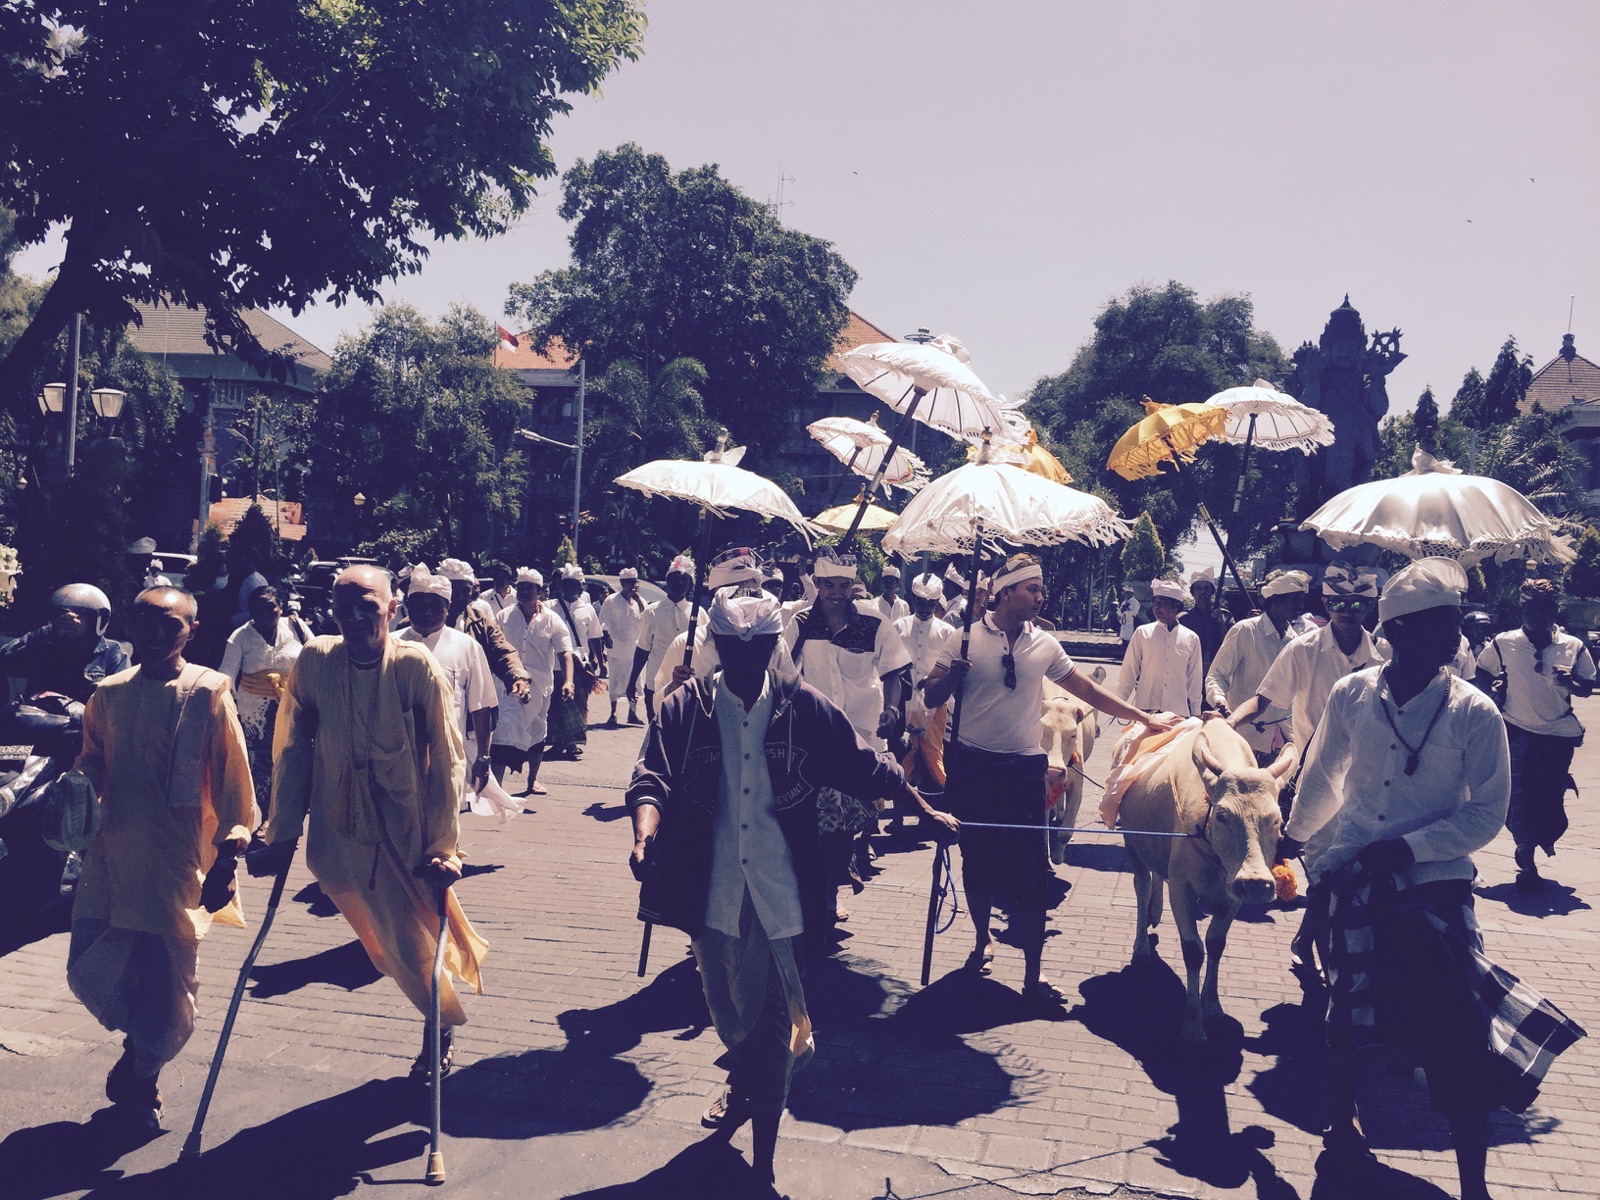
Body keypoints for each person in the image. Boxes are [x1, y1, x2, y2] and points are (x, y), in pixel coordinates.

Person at [626, 588, 955, 1195]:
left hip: (784, 893)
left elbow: (868, 764)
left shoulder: (804, 708)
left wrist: (924, 810)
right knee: (731, 1014)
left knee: (775, 1027)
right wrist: (645, 836)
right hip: (713, 892)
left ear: (772, 648)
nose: (746, 663)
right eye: (733, 650)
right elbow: (652, 775)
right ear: (719, 648)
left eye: (757, 651)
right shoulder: (687, 708)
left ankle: (764, 1167)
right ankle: (745, 1074)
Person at [1284, 558, 1584, 1200]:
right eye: (1440, 624)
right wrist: (1294, 839)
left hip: (1436, 891)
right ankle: (1343, 1125)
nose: (1455, 637)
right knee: (1347, 1016)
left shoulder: (1475, 711)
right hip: (1355, 877)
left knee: (1456, 1037)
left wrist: (1413, 847)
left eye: (1454, 623)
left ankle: (1472, 1185)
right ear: (1395, 631)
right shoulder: (1352, 694)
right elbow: (1322, 775)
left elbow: (1486, 813)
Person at [256, 566, 488, 1080]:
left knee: (408, 941)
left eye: (368, 605)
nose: (356, 616)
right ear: (330, 610)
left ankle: (437, 1027)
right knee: (384, 944)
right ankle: (426, 983)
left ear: (392, 607)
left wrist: (444, 846)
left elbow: (450, 758)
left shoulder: (414, 666)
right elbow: (292, 749)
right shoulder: (315, 661)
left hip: (403, 829)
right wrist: (281, 832)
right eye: (344, 606)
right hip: (335, 833)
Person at [923, 555, 1178, 1004]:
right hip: (972, 766)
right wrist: (952, 678)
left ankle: (1033, 977)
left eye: (1041, 589)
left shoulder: (1045, 643)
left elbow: (1087, 690)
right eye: (1032, 589)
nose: (1040, 597)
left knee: (1031, 874)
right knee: (976, 862)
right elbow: (930, 693)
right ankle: (981, 939)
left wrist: (1141, 717)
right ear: (1006, 593)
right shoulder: (964, 638)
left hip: (1024, 771)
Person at [66, 587, 256, 1131]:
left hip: (178, 862)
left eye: (168, 626)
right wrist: (78, 783)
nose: (154, 634)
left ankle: (144, 1075)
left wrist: (228, 858)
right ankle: (139, 1043)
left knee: (170, 992)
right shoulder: (109, 692)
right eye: (144, 622)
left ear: (190, 632)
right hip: (112, 856)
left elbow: (233, 780)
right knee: (89, 971)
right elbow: (93, 756)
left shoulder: (208, 692)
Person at [784, 548, 911, 921]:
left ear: (853, 585)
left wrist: (891, 709)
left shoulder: (874, 625)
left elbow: (893, 672)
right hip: (812, 739)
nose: (836, 592)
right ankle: (820, 893)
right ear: (817, 585)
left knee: (850, 827)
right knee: (817, 824)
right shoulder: (800, 623)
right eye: (828, 585)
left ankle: (833, 885)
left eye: (844, 585)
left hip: (862, 740)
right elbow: (784, 672)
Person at [1475, 578, 1595, 891]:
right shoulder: (1504, 642)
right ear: (1522, 608)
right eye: (1532, 608)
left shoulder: (1574, 647)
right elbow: (1482, 672)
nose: (1538, 615)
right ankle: (1525, 855)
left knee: (1550, 799)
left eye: (1546, 608)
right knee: (1518, 796)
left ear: (1556, 610)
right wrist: (1492, 693)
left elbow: (1586, 688)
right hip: (1517, 728)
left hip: (1558, 734)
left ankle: (1544, 835)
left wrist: (1571, 682)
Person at [397, 565, 497, 797]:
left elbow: (481, 706)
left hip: (448, 756)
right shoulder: (391, 643)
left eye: (434, 605)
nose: (427, 611)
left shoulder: (467, 646)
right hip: (395, 756)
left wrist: (483, 757)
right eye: (419, 605)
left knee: (443, 829)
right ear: (408, 607)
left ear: (447, 608)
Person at [219, 586, 312, 819]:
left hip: (293, 707)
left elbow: (316, 656)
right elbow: (227, 676)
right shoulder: (240, 637)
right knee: (262, 763)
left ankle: (287, 812)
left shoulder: (295, 627)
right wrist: (230, 711)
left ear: (280, 606)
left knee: (291, 758)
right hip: (255, 714)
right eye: (258, 608)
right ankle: (267, 816)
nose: (265, 612)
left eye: (271, 606)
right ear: (250, 611)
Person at [1205, 569, 1313, 760]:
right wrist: (1220, 700)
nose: (1300, 605)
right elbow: (1217, 675)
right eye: (1294, 599)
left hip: (1284, 738)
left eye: (1301, 599)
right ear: (1275, 600)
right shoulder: (1245, 631)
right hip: (1244, 737)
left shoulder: (1296, 642)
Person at [493, 570, 573, 796]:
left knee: (538, 731)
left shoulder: (552, 620)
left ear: (540, 591)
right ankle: (496, 788)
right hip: (508, 685)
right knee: (504, 729)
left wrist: (568, 681)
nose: (525, 591)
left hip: (540, 687)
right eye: (521, 587)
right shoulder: (504, 616)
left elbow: (565, 652)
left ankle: (532, 780)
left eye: (530, 587)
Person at [893, 572, 957, 808]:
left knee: (932, 759)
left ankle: (932, 815)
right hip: (903, 703)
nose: (925, 607)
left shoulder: (947, 632)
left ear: (937, 602)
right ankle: (898, 819)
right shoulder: (898, 626)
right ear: (913, 598)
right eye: (920, 601)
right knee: (903, 760)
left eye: (931, 603)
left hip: (934, 706)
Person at [437, 557, 532, 708]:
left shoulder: (481, 622)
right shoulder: (420, 622)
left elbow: (502, 650)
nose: (460, 596)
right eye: (454, 590)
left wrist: (518, 677)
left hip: (469, 705)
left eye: (465, 590)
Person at [1118, 579, 1203, 718]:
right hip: (1145, 711)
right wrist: (1120, 703)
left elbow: (1194, 678)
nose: (1156, 607)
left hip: (1177, 714)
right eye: (1155, 602)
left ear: (1176, 605)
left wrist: (1196, 713)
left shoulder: (1191, 638)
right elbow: (1129, 670)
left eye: (1162, 602)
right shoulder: (1142, 633)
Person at [545, 563, 605, 760]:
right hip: (554, 663)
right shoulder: (549, 607)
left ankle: (572, 743)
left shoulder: (588, 610)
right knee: (556, 704)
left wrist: (599, 660)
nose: (569, 588)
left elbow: (595, 637)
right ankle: (557, 742)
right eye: (566, 584)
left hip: (580, 665)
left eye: (574, 585)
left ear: (581, 587)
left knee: (578, 703)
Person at [630, 556, 694, 722]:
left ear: (690, 585)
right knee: (656, 730)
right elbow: (643, 648)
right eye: (674, 579)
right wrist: (632, 681)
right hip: (656, 684)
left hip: (689, 685)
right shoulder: (652, 612)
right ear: (667, 581)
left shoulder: (698, 614)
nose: (679, 584)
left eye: (684, 580)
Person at [600, 568, 648, 726]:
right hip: (617, 649)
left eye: (634, 582)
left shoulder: (641, 602)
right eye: (629, 582)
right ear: (622, 584)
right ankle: (613, 713)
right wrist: (606, 635)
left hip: (635, 649)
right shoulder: (611, 600)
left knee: (635, 681)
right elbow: (604, 619)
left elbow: (647, 619)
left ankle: (632, 714)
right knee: (616, 680)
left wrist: (638, 599)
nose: (632, 585)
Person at [1182, 568, 1232, 672]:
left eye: (1206, 588)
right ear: (1193, 593)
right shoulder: (1184, 619)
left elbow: (1231, 646)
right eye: (1198, 589)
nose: (1202, 592)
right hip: (1190, 672)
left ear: (1212, 592)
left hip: (1218, 671)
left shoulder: (1225, 616)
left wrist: (1221, 624)